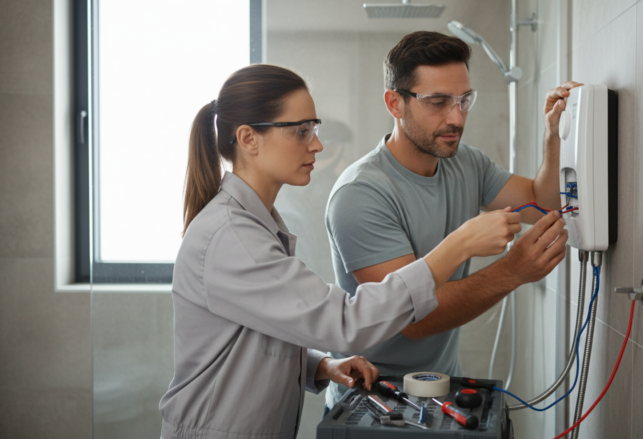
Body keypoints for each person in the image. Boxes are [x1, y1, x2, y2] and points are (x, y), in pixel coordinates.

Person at [158, 64, 523, 439]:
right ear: (249, 138)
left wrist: (319, 366)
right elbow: (346, 323)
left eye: (314, 129)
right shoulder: (231, 236)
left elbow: (253, 338)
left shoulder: (253, 224)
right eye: (301, 131)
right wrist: (458, 246)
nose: (316, 144)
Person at [324, 31, 579, 409]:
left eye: (464, 100)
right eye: (438, 102)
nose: (456, 117)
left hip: (438, 388)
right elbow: (413, 320)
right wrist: (512, 271)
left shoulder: (465, 163)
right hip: (371, 397)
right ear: (395, 103)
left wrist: (553, 136)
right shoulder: (360, 195)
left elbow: (542, 202)